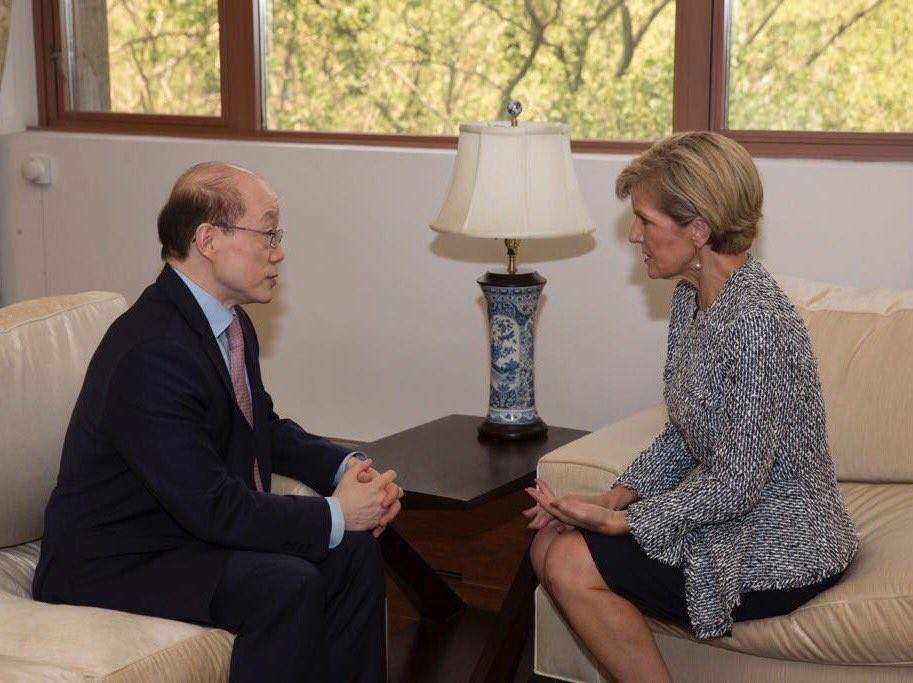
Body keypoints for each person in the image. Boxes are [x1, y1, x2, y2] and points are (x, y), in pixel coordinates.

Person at [32, 162, 403, 682]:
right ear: (208, 239)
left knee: (354, 555)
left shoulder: (228, 324)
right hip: (114, 559)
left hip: (181, 534)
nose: (279, 250)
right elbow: (213, 507)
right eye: (268, 232)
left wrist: (346, 466)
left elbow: (262, 426)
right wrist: (335, 515)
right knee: (285, 584)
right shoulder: (153, 351)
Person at [524, 132, 858, 682]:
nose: (634, 236)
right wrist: (616, 493)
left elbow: (739, 483)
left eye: (646, 221)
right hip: (730, 514)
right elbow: (686, 433)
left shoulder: (755, 321)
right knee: (549, 544)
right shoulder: (692, 298)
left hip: (779, 539)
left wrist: (624, 522)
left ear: (698, 231)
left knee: (566, 558)